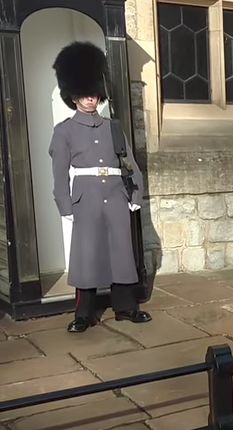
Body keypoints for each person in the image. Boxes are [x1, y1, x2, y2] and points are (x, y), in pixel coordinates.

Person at [50, 41, 151, 333]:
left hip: (116, 193)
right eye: (83, 93)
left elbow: (129, 163)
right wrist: (64, 204)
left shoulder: (113, 127)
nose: (90, 99)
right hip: (86, 196)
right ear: (73, 95)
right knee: (86, 254)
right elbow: (58, 172)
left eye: (93, 93)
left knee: (122, 251)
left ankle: (126, 307)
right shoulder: (64, 131)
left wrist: (135, 193)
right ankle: (84, 313)